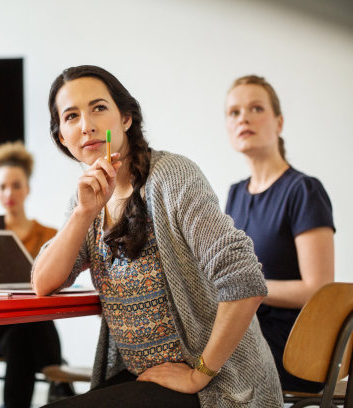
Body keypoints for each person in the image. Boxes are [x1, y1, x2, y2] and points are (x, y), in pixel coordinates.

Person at [32, 65, 283, 407]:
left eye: (99, 108)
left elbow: (244, 280)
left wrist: (199, 372)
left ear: (126, 118)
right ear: (62, 136)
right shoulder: (86, 201)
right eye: (71, 116)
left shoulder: (172, 177)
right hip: (147, 379)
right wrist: (82, 214)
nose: (86, 124)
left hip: (221, 386)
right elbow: (43, 283)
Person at [224, 75, 335, 392]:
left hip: (293, 345)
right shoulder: (235, 194)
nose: (243, 117)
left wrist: (248, 288)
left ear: (279, 122)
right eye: (234, 112)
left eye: (256, 108)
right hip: (247, 331)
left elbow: (319, 290)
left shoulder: (303, 190)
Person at [0, 141, 74, 408]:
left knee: (21, 333)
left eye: (16, 185)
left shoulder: (50, 236)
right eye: (2, 186)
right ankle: (60, 380)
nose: (9, 192)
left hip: (25, 328)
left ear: (27, 188)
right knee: (26, 327)